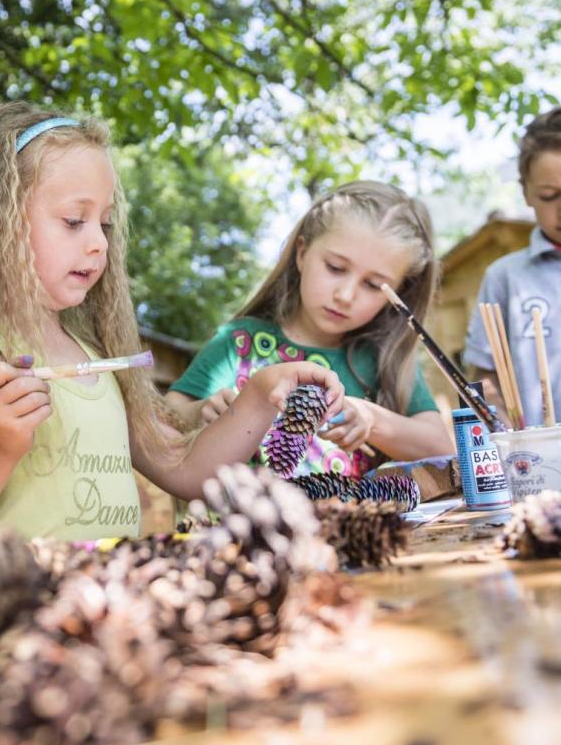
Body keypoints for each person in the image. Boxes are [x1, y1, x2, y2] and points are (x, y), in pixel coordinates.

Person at [0, 103, 343, 542]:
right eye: (75, 221)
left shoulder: (98, 357)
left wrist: (261, 394)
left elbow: (185, 467)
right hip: (18, 623)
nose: (99, 243)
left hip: (110, 615)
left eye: (105, 223)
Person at [166, 181, 452, 478]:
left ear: (397, 294)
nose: (345, 295)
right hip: (238, 522)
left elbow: (440, 448)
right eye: (336, 268)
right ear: (302, 253)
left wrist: (371, 419)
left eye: (371, 285)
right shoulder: (240, 343)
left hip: (349, 523)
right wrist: (198, 412)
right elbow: (171, 410)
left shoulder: (384, 359)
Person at [464, 107, 561, 426]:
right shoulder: (505, 277)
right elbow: (484, 376)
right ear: (526, 192)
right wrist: (500, 422)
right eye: (549, 196)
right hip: (537, 463)